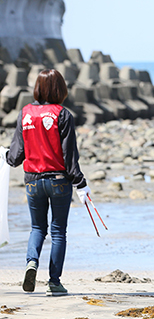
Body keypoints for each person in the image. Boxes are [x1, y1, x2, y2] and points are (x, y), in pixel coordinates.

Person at [1, 69, 90, 296]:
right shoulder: (63, 114)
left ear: (38, 88)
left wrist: (5, 155)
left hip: (32, 181)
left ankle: (32, 263)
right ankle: (54, 282)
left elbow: (15, 156)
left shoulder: (25, 113)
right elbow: (70, 157)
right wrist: (81, 184)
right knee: (58, 231)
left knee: (37, 227)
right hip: (59, 181)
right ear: (60, 89)